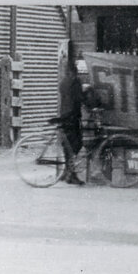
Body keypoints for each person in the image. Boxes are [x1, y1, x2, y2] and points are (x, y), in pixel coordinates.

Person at [58, 55, 85, 185]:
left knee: (67, 145)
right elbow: (79, 98)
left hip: (64, 116)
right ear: (75, 72)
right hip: (72, 117)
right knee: (76, 145)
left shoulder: (63, 82)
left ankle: (66, 172)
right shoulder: (75, 82)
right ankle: (71, 175)